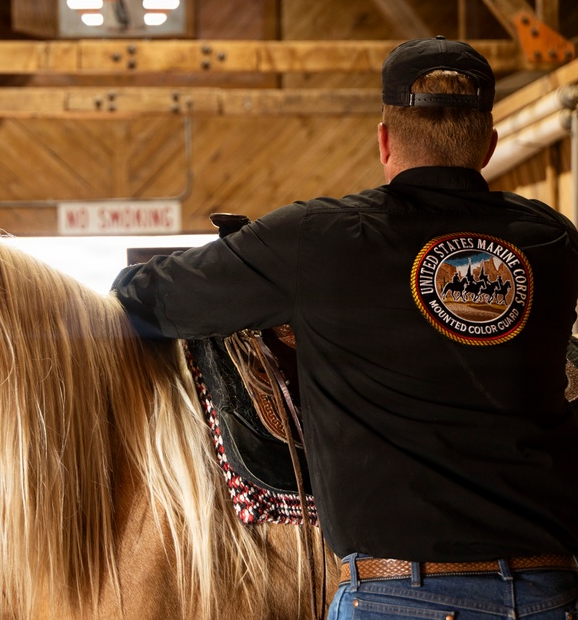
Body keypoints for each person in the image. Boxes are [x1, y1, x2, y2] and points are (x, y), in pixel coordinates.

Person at [111, 36, 578, 619]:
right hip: (550, 595)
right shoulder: (553, 240)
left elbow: (149, 299)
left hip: (396, 598)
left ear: (384, 140)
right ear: (489, 146)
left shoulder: (320, 239)